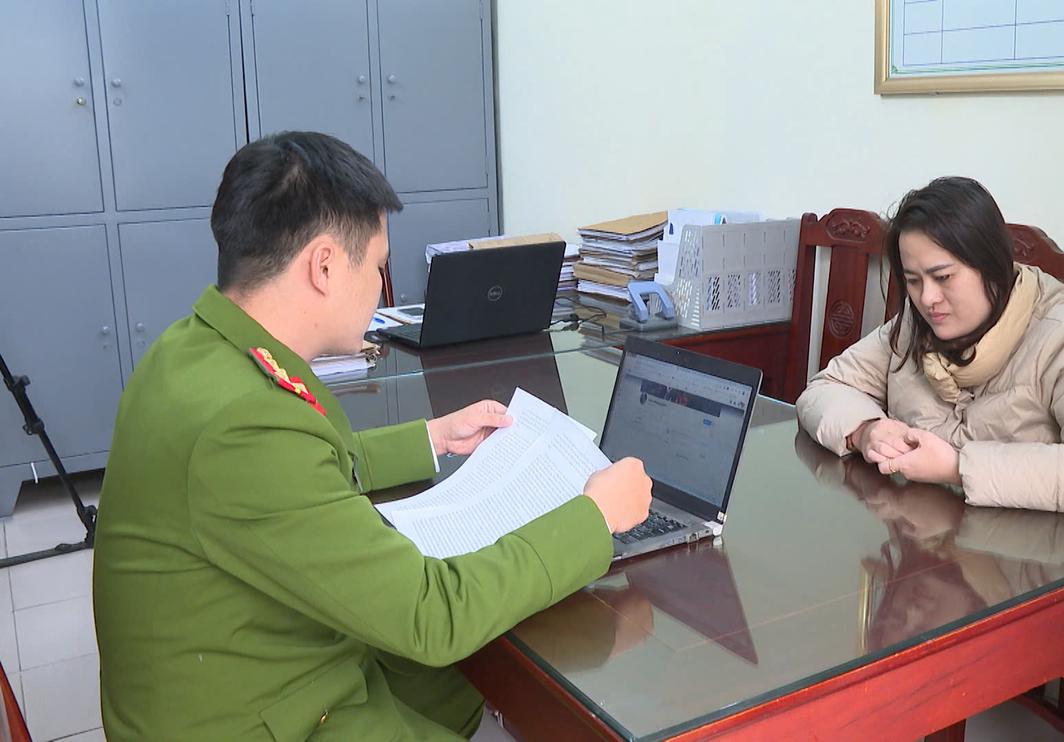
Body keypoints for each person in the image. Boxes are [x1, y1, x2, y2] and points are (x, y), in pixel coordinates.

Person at [92, 131, 653, 741]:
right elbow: (431, 614)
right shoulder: (245, 426)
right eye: (379, 267)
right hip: (261, 715)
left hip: (249, 665)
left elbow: (305, 472)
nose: (383, 285)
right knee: (468, 646)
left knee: (463, 680)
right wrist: (595, 516)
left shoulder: (194, 348)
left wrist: (433, 437)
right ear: (324, 266)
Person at [796, 176, 1064, 516]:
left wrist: (958, 467)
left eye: (944, 277)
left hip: (1045, 551)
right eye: (913, 280)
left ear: (991, 264)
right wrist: (865, 430)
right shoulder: (914, 324)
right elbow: (825, 387)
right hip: (929, 535)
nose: (928, 298)